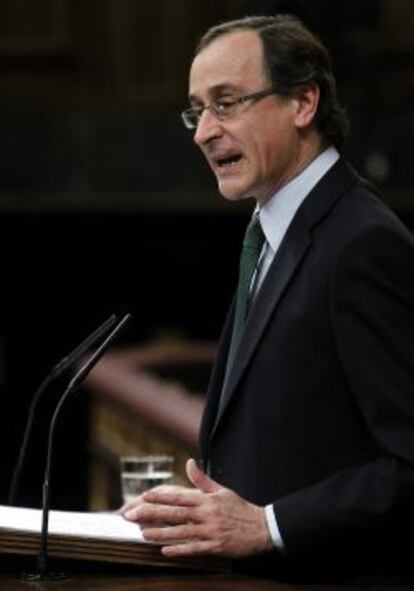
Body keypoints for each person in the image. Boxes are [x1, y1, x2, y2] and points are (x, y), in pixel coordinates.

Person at [122, 15, 414, 581]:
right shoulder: (273, 230)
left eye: (226, 103)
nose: (203, 131)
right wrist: (204, 513)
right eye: (196, 110)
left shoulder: (362, 241)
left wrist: (269, 525)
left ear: (303, 103)